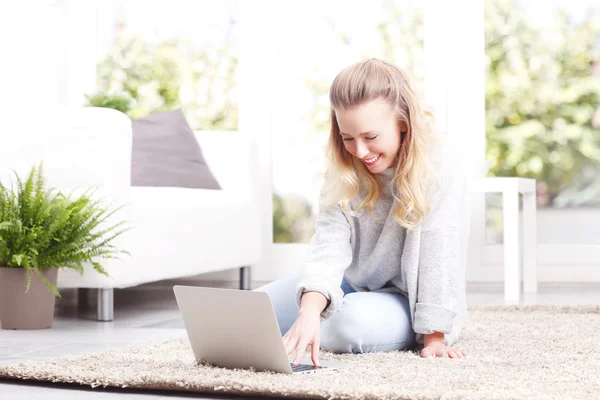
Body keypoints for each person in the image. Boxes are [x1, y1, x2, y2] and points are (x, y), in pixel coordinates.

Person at [255, 58, 469, 367]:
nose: (360, 151)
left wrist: (434, 336)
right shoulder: (345, 166)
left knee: (347, 324)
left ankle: (318, 327)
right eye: (348, 138)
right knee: (255, 310)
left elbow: (440, 252)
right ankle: (307, 324)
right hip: (350, 283)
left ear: (403, 123)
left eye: (370, 137)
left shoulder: (440, 165)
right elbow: (328, 246)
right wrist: (309, 310)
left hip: (407, 300)